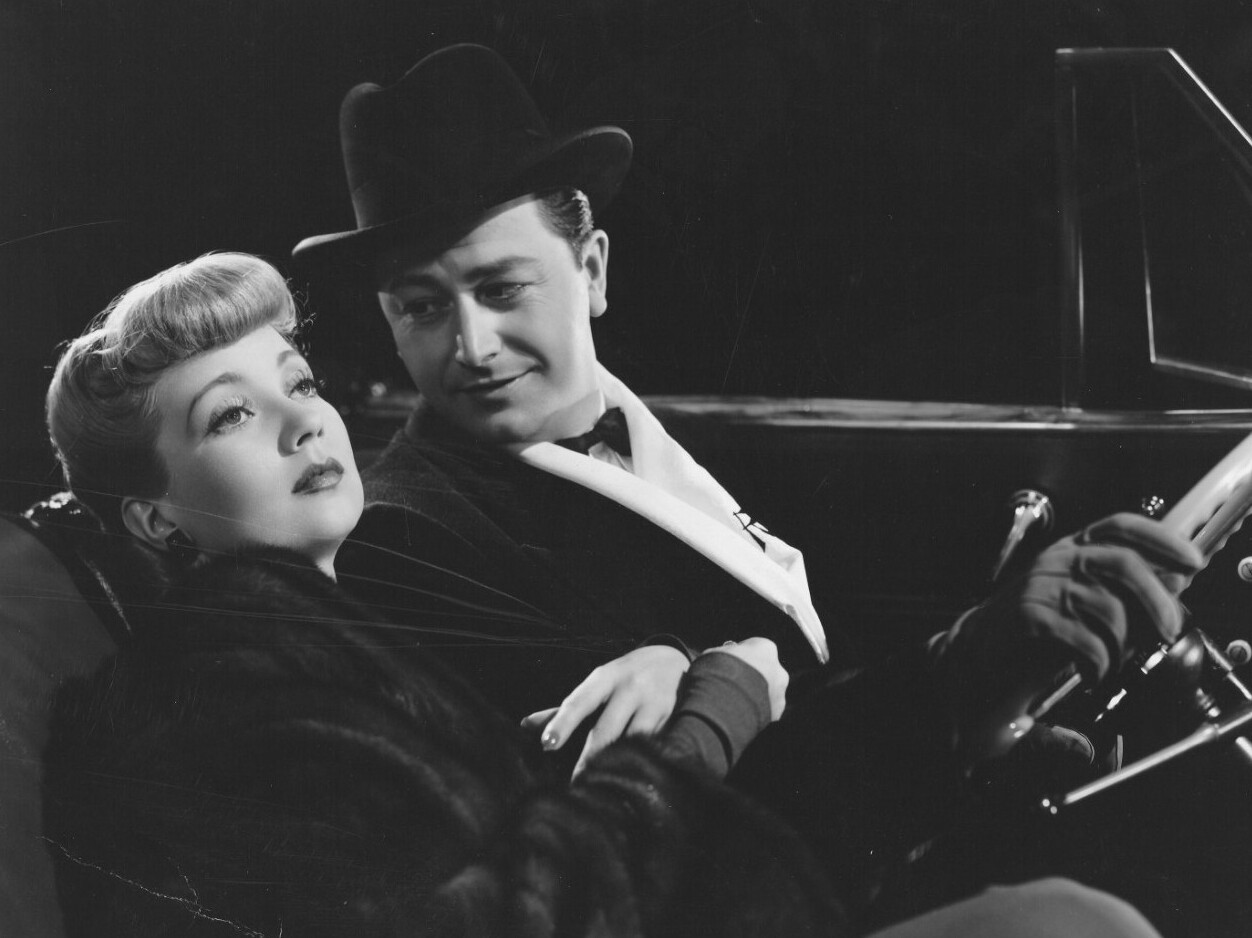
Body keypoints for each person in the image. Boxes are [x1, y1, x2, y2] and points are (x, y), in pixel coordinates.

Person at [290, 41, 1200, 851]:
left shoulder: (658, 438)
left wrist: (981, 732)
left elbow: (805, 673)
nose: (471, 347)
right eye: (422, 307)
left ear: (593, 270)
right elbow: (658, 838)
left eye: (500, 289)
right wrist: (942, 685)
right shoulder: (402, 539)